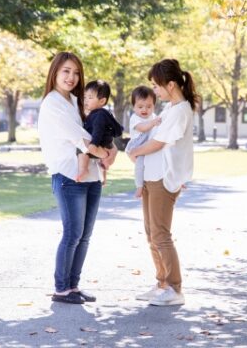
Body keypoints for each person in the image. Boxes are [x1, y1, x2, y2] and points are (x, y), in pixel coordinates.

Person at [37, 52, 116, 305]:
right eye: (66, 71)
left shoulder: (74, 101)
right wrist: (104, 152)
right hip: (68, 175)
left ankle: (73, 286)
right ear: (55, 73)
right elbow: (83, 140)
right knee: (72, 233)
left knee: (84, 235)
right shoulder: (52, 103)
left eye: (76, 72)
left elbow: (94, 132)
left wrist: (105, 151)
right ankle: (61, 289)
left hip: (91, 175)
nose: (72, 77)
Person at [128, 59, 199, 306]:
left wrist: (135, 152)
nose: (154, 92)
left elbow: (159, 143)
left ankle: (175, 288)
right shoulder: (170, 109)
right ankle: (162, 284)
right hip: (150, 177)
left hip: (163, 179)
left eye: (157, 86)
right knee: (151, 234)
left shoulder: (181, 110)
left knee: (160, 234)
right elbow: (152, 136)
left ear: (170, 85)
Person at [77, 80, 123, 183]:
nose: (86, 101)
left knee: (81, 149)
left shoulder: (99, 115)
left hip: (100, 141)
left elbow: (98, 130)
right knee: (98, 156)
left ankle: (83, 169)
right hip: (105, 142)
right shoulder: (97, 113)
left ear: (102, 101)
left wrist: (94, 144)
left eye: (90, 98)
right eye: (85, 97)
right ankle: (104, 171)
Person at [125, 86, 160, 198]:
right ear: (134, 107)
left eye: (149, 106)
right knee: (140, 164)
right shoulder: (135, 118)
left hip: (146, 145)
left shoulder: (154, 117)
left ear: (154, 106)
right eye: (140, 107)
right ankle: (139, 186)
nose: (144, 110)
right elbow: (143, 128)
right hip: (136, 144)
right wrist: (154, 123)